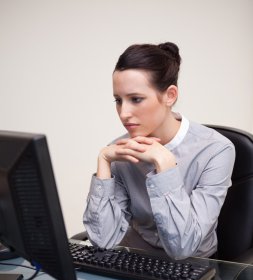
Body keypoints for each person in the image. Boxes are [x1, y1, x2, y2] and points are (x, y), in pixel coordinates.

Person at [83, 42, 235, 260]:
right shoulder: (119, 151)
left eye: (136, 99)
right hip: (134, 261)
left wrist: (165, 165)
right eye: (118, 100)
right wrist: (104, 162)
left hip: (195, 269)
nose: (124, 113)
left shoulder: (216, 150)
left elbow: (183, 247)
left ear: (170, 95)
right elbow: (102, 240)